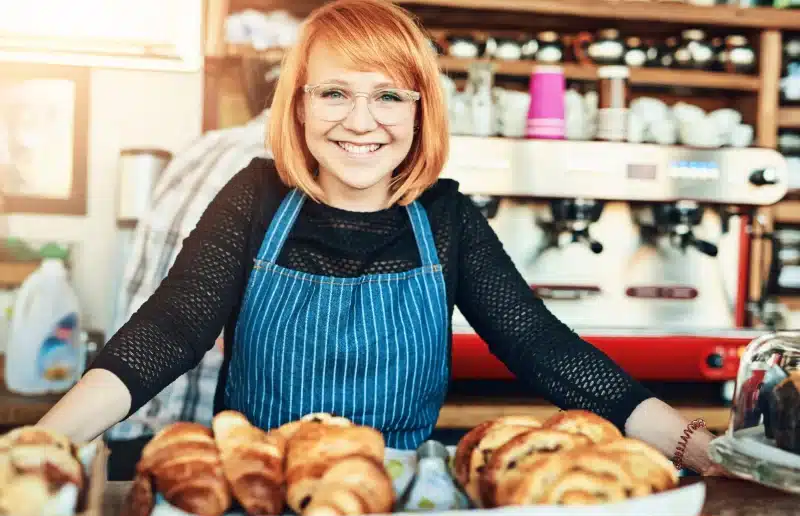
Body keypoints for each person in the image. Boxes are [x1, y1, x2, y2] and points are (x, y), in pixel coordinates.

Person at [38, 0, 723, 475]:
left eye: (389, 95)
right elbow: (171, 328)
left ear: (420, 111)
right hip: (258, 495)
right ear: (299, 105)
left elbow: (541, 345)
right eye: (335, 93)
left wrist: (693, 444)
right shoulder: (254, 196)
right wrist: (42, 442)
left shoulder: (447, 218)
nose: (361, 121)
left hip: (394, 501)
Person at [103, 110, 273, 480]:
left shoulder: (202, 147)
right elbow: (206, 322)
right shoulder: (277, 169)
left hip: (125, 416)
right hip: (203, 443)